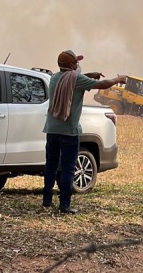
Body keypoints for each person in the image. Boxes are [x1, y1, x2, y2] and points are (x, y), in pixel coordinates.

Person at [42, 50, 127, 214]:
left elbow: (72, 79)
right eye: (76, 63)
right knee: (68, 168)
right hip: (69, 131)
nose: (77, 65)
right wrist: (118, 79)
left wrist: (90, 75)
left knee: (51, 166)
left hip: (52, 130)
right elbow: (103, 84)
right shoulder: (77, 80)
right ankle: (64, 205)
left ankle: (47, 200)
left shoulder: (54, 78)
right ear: (72, 65)